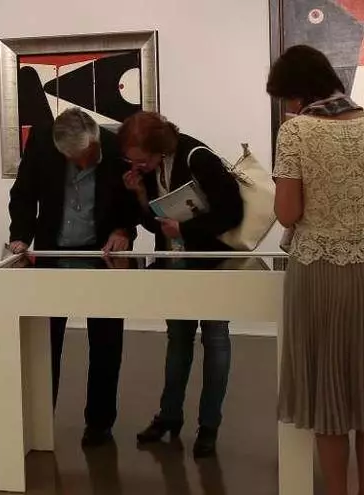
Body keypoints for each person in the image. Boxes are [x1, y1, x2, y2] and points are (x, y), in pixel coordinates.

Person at [267, 45, 364, 495]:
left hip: (318, 272)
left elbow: (287, 213)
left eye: (288, 97)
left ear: (299, 93)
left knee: (328, 395)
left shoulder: (295, 133)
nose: (289, 107)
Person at [7, 108, 139, 447]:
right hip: (53, 255)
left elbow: (132, 201)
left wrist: (123, 230)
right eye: (76, 159)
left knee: (106, 343)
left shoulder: (115, 148)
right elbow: (23, 195)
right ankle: (41, 422)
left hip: (102, 257)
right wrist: (20, 237)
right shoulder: (42, 144)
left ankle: (99, 424)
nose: (84, 164)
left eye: (89, 156)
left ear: (96, 140)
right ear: (61, 150)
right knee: (46, 343)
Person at [118, 111, 243, 458]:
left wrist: (185, 229)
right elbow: (155, 225)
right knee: (178, 340)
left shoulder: (198, 157)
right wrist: (139, 194)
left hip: (211, 264)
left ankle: (209, 426)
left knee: (215, 340)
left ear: (158, 148)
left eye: (141, 159)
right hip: (175, 263)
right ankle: (169, 415)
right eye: (132, 160)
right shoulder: (152, 169)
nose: (137, 165)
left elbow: (232, 213)